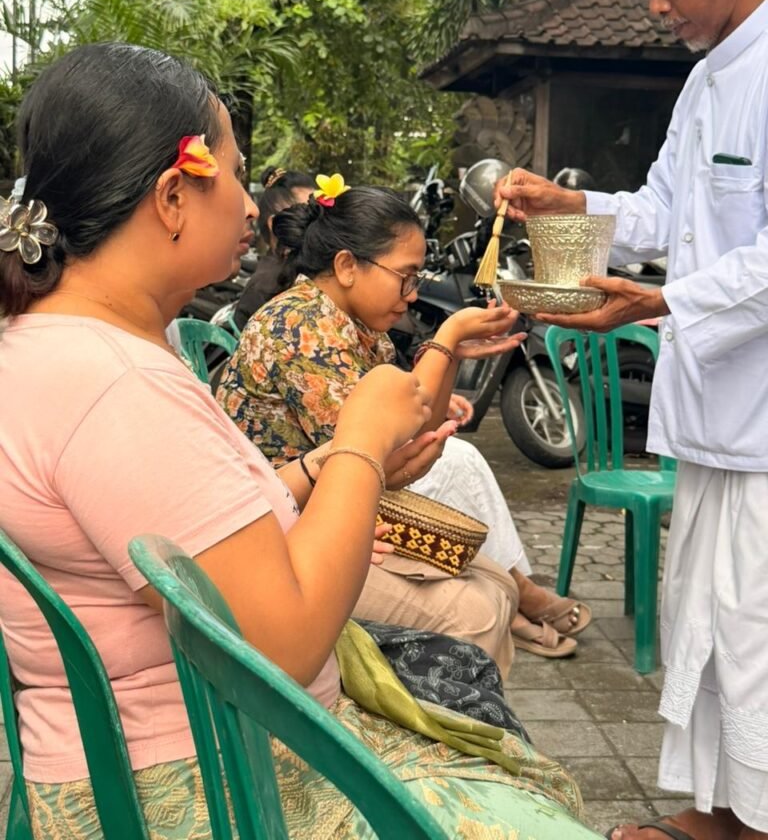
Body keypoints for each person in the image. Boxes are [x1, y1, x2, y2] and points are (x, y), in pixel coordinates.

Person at [0, 42, 600, 840]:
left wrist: (325, 465)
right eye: (238, 176)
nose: (252, 206)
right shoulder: (112, 384)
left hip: (175, 747)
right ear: (173, 196)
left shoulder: (56, 347)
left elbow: (182, 536)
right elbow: (277, 648)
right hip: (210, 777)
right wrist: (358, 441)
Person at [497, 0, 768, 840]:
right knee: (709, 628)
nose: (656, 4)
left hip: (766, 427)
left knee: (759, 640)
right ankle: (719, 814)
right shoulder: (704, 84)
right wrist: (569, 204)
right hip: (712, 423)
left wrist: (659, 301)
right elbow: (659, 211)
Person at [216, 184, 593, 663]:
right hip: (285, 539)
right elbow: (389, 451)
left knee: (500, 583)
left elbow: (418, 433)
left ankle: (471, 723)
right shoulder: (301, 325)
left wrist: (449, 354)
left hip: (333, 515)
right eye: (406, 277)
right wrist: (448, 335)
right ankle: (443, 728)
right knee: (479, 611)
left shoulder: (358, 326)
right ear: (348, 266)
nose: (412, 296)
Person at [233, 166, 315, 329]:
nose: (319, 220)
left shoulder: (310, 271)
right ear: (275, 224)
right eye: (307, 212)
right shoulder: (266, 286)